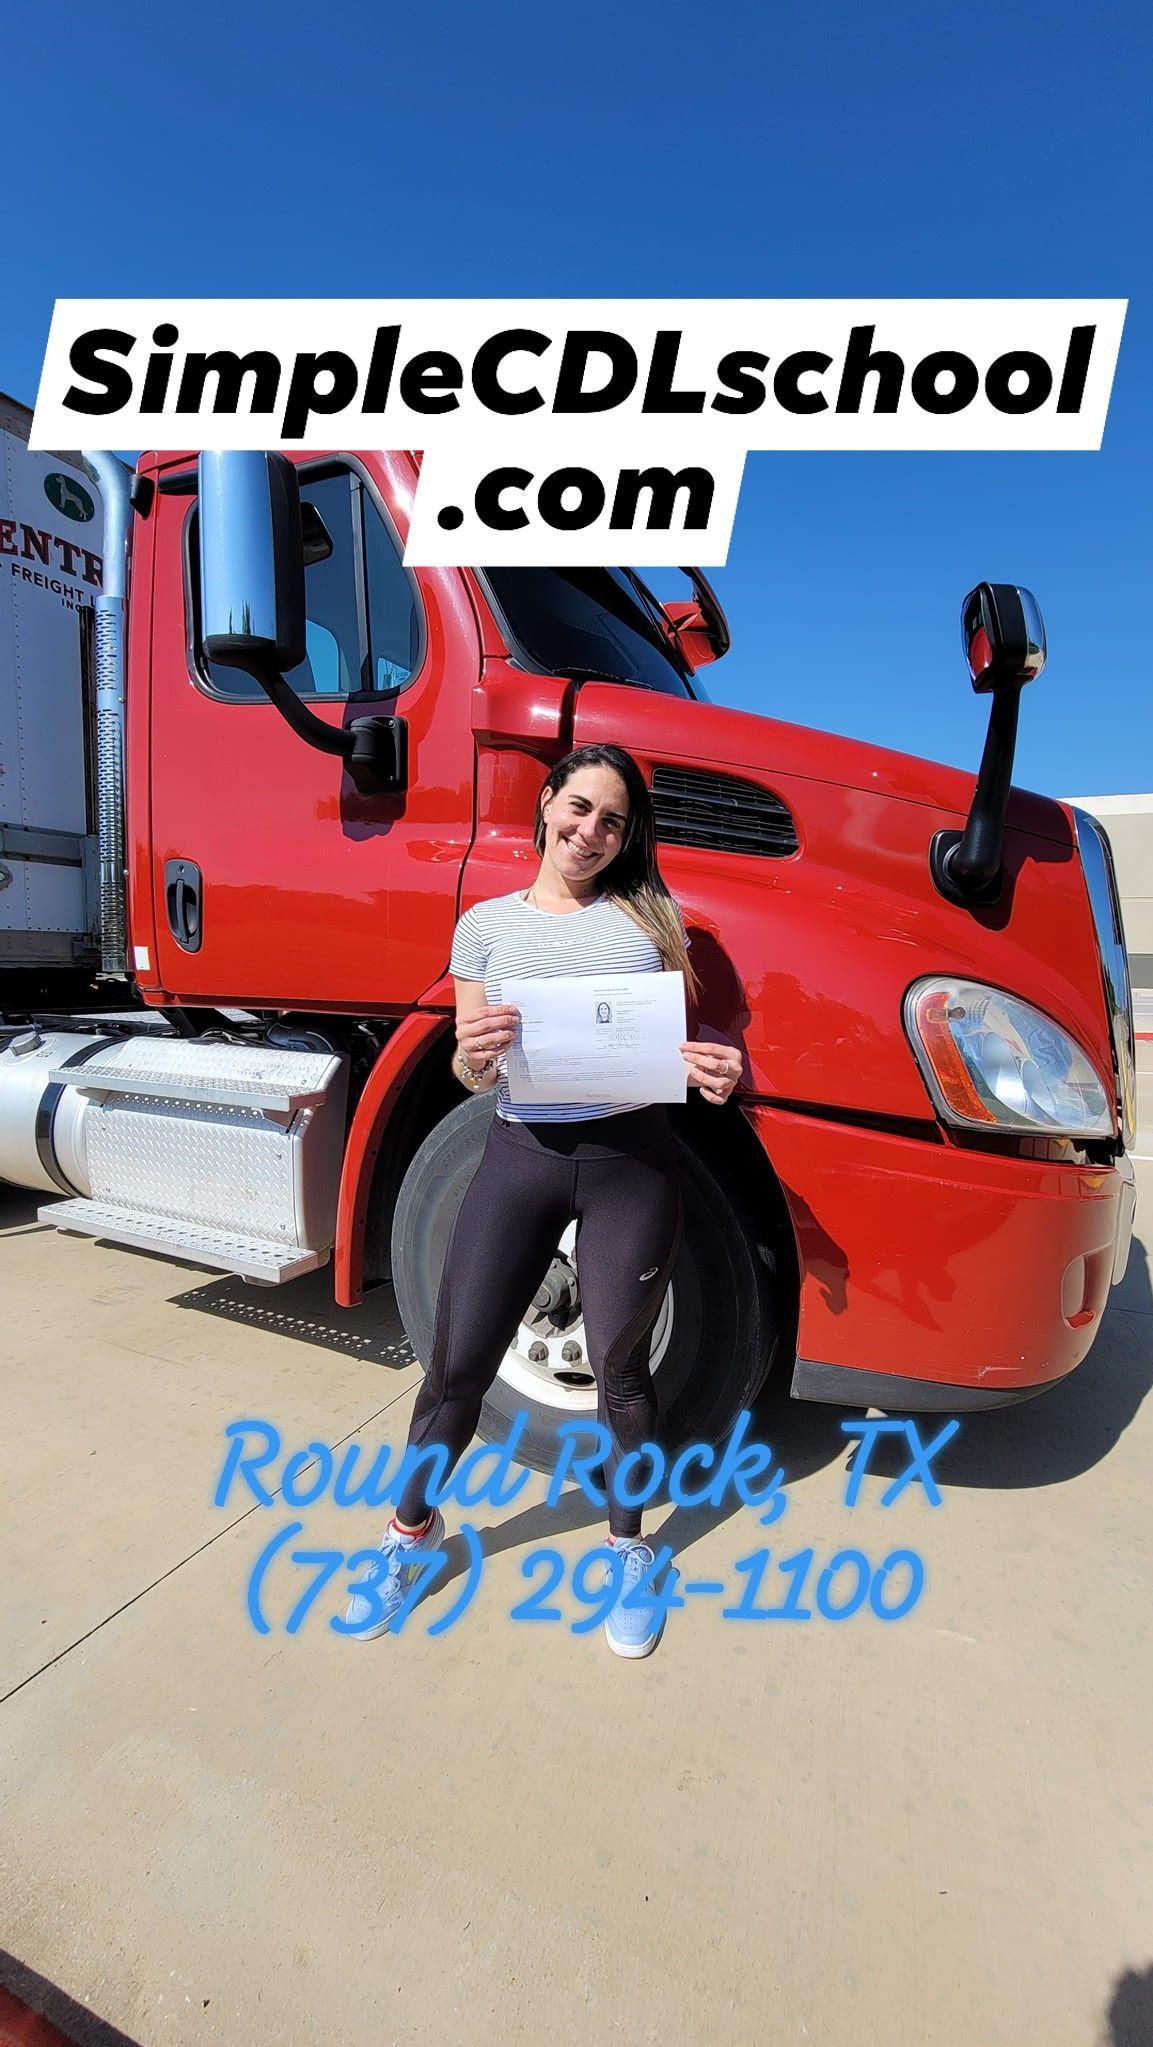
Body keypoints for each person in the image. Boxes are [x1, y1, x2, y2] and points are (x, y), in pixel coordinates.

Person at [347, 743, 743, 1658]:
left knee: (621, 1371)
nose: (590, 831)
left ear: (627, 836)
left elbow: (672, 1049)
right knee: (456, 1367)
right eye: (579, 807)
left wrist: (717, 1069)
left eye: (612, 820)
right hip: (520, 1154)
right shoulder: (484, 926)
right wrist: (470, 1052)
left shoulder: (650, 922)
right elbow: (469, 1068)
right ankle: (409, 1532)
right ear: (546, 803)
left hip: (630, 1163)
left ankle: (629, 1547)